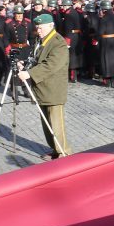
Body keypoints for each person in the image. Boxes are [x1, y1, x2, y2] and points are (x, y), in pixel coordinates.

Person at [18, 14, 70, 160]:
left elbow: (51, 65)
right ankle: (55, 149)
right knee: (47, 124)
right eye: (37, 28)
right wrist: (25, 64)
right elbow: (37, 59)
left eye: (40, 28)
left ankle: (64, 153)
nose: (38, 30)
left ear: (50, 26)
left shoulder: (58, 42)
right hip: (41, 88)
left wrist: (29, 74)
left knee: (56, 124)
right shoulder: (41, 40)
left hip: (53, 89)